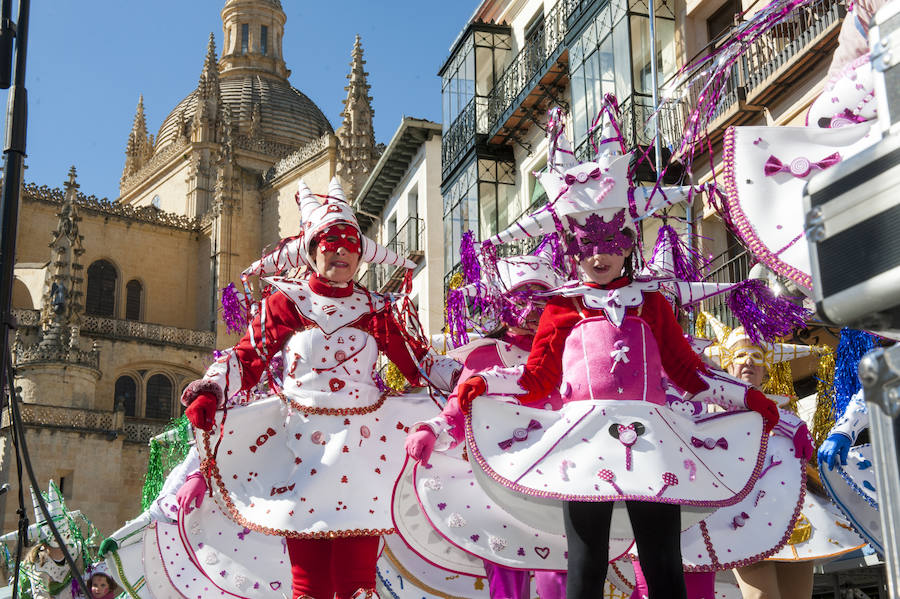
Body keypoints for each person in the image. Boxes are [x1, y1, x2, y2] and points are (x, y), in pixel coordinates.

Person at [453, 105, 778, 599]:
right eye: (586, 246)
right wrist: (484, 383)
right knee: (585, 562)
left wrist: (743, 398)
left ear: (628, 244)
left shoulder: (650, 304)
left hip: (654, 438)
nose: (599, 256)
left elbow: (688, 372)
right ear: (571, 250)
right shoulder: (562, 307)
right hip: (580, 441)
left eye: (608, 243)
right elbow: (536, 378)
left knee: (664, 560)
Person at [180, 177, 438, 599]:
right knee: (310, 583)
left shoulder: (378, 310)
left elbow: (421, 365)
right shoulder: (286, 302)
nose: (340, 251)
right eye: (330, 242)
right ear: (311, 248)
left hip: (363, 451)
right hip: (298, 449)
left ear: (361, 254)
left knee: (357, 582)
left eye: (350, 244)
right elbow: (248, 357)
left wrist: (468, 379)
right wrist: (212, 389)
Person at [404, 250, 568, 599]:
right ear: (502, 303)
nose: (530, 311)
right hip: (501, 481)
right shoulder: (485, 355)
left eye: (540, 300)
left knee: (560, 574)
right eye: (521, 299)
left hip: (560, 477)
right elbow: (459, 405)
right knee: (507, 572)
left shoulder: (568, 351)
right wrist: (432, 428)